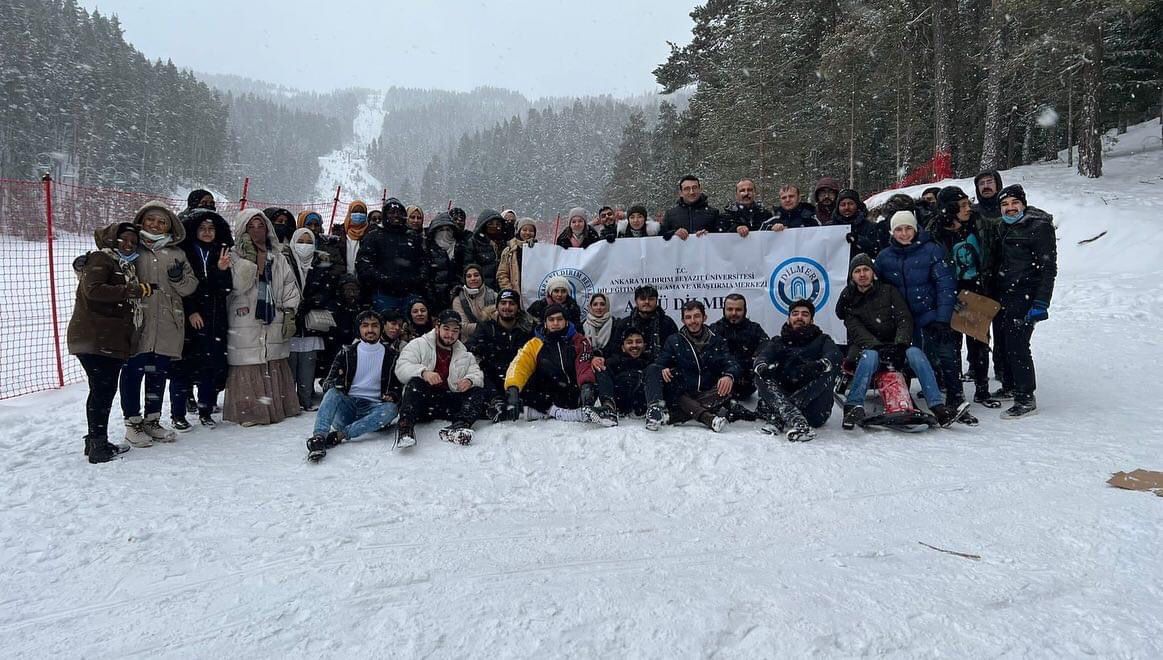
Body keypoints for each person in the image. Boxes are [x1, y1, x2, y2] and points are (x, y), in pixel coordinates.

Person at [835, 254, 960, 428]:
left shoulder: (888, 291)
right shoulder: (850, 299)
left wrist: (900, 344)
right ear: (852, 276)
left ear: (873, 273)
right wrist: (877, 347)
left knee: (915, 353)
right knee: (869, 356)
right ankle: (853, 404)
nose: (862, 274)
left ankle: (937, 405)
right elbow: (856, 330)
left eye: (866, 270)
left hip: (894, 345)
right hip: (866, 347)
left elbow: (904, 318)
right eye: (857, 271)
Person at [875, 210, 976, 425]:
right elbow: (878, 289)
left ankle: (956, 398)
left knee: (945, 355)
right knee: (905, 356)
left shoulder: (932, 250)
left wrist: (942, 317)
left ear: (915, 229)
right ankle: (903, 398)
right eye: (899, 229)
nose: (904, 233)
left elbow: (945, 285)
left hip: (930, 313)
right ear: (892, 232)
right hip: (901, 318)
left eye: (908, 228)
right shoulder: (885, 257)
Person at [68, 222, 149, 463]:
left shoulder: (122, 264)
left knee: (100, 390)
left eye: (133, 242)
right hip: (95, 337)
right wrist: (132, 290)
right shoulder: (102, 259)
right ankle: (99, 447)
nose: (128, 245)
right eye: (123, 239)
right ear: (111, 239)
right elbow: (93, 290)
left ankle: (94, 440)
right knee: (103, 391)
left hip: (104, 338)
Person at [120, 201, 198, 446]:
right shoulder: (131, 247)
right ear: (141, 220)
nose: (155, 224)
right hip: (137, 323)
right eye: (150, 219)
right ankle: (132, 422)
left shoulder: (176, 253)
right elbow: (110, 270)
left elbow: (190, 287)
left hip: (167, 323)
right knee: (133, 372)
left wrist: (178, 279)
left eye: (161, 221)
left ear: (169, 227)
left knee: (157, 373)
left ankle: (152, 420)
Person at [223, 209, 302, 427]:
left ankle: (277, 407)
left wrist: (289, 312)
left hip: (272, 314)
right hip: (244, 315)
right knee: (248, 360)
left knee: (272, 358)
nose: (257, 231)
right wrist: (249, 262)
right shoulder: (233, 256)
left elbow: (289, 286)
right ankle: (250, 412)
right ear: (242, 230)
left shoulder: (277, 256)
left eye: (260, 226)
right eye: (251, 226)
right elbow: (238, 286)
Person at [987, 184, 1057, 419]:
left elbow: (1048, 268)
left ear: (1023, 204)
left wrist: (1041, 303)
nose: (1010, 208)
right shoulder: (1001, 227)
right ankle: (1009, 385)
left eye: (1014, 203)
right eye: (1005, 205)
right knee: (1003, 342)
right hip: (1003, 293)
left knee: (1017, 345)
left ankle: (1026, 396)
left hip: (1025, 295)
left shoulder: (1038, 227)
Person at [929, 186, 999, 408]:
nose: (969, 208)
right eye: (962, 206)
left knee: (978, 341)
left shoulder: (980, 224)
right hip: (948, 292)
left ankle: (982, 389)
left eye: (968, 204)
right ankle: (953, 389)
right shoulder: (934, 232)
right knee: (950, 345)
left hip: (976, 290)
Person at [305, 310, 402, 460]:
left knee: (391, 409)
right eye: (365, 326)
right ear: (359, 329)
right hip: (348, 408)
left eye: (374, 326)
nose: (370, 330)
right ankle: (319, 437)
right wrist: (337, 385)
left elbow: (398, 386)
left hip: (373, 410)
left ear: (381, 328)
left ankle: (341, 435)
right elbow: (327, 382)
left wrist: (393, 395)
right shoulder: (347, 352)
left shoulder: (392, 355)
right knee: (332, 393)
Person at [169, 209, 233, 430]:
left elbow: (224, 289)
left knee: (210, 368)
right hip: (189, 321)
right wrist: (191, 310)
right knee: (182, 369)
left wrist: (221, 271)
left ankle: (206, 410)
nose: (207, 233)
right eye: (202, 229)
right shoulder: (184, 252)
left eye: (211, 229)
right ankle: (178, 413)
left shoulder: (220, 252)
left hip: (215, 320)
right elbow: (184, 287)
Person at [502, 304, 618, 426]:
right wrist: (513, 389)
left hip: (576, 391)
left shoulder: (579, 340)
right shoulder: (534, 344)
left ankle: (607, 408)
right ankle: (568, 414)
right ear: (545, 323)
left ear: (566, 321)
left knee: (600, 367)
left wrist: (586, 385)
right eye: (551, 320)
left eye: (559, 319)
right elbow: (519, 365)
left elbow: (583, 364)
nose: (555, 323)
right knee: (523, 382)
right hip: (550, 393)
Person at [752, 299, 842, 441]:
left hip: (814, 410)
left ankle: (783, 416)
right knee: (760, 373)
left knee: (829, 370)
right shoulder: (778, 341)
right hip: (783, 397)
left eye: (805, 314)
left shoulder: (823, 340)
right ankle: (795, 419)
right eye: (795, 314)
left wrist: (818, 365)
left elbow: (835, 356)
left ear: (811, 320)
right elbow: (763, 356)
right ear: (789, 319)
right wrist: (762, 365)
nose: (799, 317)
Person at [394, 309, 487, 447]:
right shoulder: (419, 344)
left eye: (455, 331)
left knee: (477, 392)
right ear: (437, 327)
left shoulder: (464, 353)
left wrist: (469, 380)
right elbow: (401, 368)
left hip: (447, 400)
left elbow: (477, 374)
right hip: (422, 402)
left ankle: (459, 426)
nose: (450, 335)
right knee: (415, 383)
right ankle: (405, 428)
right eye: (446, 329)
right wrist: (423, 372)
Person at [643, 301, 739, 432]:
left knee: (727, 388)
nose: (693, 321)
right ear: (683, 320)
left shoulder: (717, 340)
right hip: (682, 392)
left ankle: (671, 417)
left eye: (697, 316)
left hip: (708, 391)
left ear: (704, 318)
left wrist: (729, 376)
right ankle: (707, 418)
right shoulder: (674, 340)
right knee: (665, 380)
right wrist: (662, 368)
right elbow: (659, 363)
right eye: (688, 317)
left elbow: (731, 363)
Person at [285, 227, 337, 411]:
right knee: (289, 364)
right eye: (301, 241)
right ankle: (290, 402)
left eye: (309, 242)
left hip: (312, 321)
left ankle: (305, 400)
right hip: (291, 319)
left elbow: (328, 290)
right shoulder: (285, 262)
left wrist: (311, 302)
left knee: (308, 364)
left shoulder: (322, 263)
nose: (304, 246)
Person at [467, 289, 535, 420]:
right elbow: (469, 348)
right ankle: (495, 402)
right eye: (503, 303)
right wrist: (480, 349)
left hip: (519, 376)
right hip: (493, 377)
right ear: (497, 306)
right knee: (480, 372)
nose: (507, 307)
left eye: (511, 303)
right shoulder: (486, 327)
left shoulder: (526, 329)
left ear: (518, 307)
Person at [358, 197, 427, 314]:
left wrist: (416, 279)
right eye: (392, 212)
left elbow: (423, 262)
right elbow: (363, 264)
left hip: (410, 294)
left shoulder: (413, 237)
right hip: (383, 294)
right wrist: (383, 279)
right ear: (385, 215)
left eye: (399, 213)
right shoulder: (374, 236)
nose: (396, 216)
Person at [708, 294, 768, 402]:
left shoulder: (755, 329)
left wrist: (755, 360)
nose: (734, 313)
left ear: (745, 310)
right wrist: (729, 374)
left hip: (746, 385)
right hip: (719, 384)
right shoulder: (714, 329)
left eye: (738, 309)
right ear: (724, 310)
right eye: (730, 309)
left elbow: (766, 348)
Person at [595, 328, 651, 417]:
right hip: (619, 403)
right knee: (601, 368)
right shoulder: (613, 362)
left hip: (642, 406)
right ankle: (608, 407)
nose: (634, 345)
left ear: (644, 346)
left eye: (638, 342)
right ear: (623, 348)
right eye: (629, 342)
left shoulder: (650, 363)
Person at [611, 284, 678, 359]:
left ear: (656, 301)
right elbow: (615, 351)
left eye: (651, 299)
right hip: (629, 367)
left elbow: (675, 350)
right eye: (643, 299)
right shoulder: (624, 324)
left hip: (660, 367)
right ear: (636, 302)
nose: (647, 302)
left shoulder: (667, 323)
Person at [320, 274, 362, 378]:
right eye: (348, 290)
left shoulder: (360, 308)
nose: (352, 294)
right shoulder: (333, 307)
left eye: (355, 290)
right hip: (334, 347)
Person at [425, 212, 464, 313]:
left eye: (448, 230)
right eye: (441, 230)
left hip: (456, 298)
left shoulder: (460, 248)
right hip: (434, 299)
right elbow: (426, 276)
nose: (445, 233)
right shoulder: (428, 249)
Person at [663, 175, 721, 240]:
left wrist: (708, 235)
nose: (691, 192)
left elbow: (721, 237)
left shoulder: (713, 213)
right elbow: (662, 236)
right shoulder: (670, 214)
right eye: (687, 189)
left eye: (694, 188)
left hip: (704, 249)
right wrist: (674, 233)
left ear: (700, 190)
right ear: (680, 193)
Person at [451, 263, 498, 342]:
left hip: (493, 341)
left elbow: (499, 323)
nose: (473, 278)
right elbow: (463, 327)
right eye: (469, 276)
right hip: (468, 342)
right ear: (465, 280)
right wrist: (487, 327)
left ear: (482, 277)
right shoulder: (458, 300)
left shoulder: (494, 296)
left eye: (476, 275)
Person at [838, 189, 887, 260]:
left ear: (857, 205)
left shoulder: (870, 227)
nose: (847, 207)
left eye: (851, 204)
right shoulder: (830, 226)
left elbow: (876, 251)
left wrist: (858, 240)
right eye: (843, 204)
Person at [465, 209, 507, 290]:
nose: (494, 227)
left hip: (503, 289)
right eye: (490, 224)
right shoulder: (473, 243)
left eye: (498, 224)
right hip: (482, 290)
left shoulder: (505, 243)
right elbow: (469, 268)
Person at [497, 217, 537, 291]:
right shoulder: (509, 250)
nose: (527, 233)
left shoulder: (539, 250)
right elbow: (502, 274)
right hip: (515, 292)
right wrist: (509, 290)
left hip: (534, 293)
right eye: (524, 230)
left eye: (531, 231)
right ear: (519, 231)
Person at [336, 200, 370, 277]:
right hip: (342, 280)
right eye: (355, 211)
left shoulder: (370, 233)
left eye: (362, 212)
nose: (358, 214)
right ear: (349, 213)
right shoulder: (340, 233)